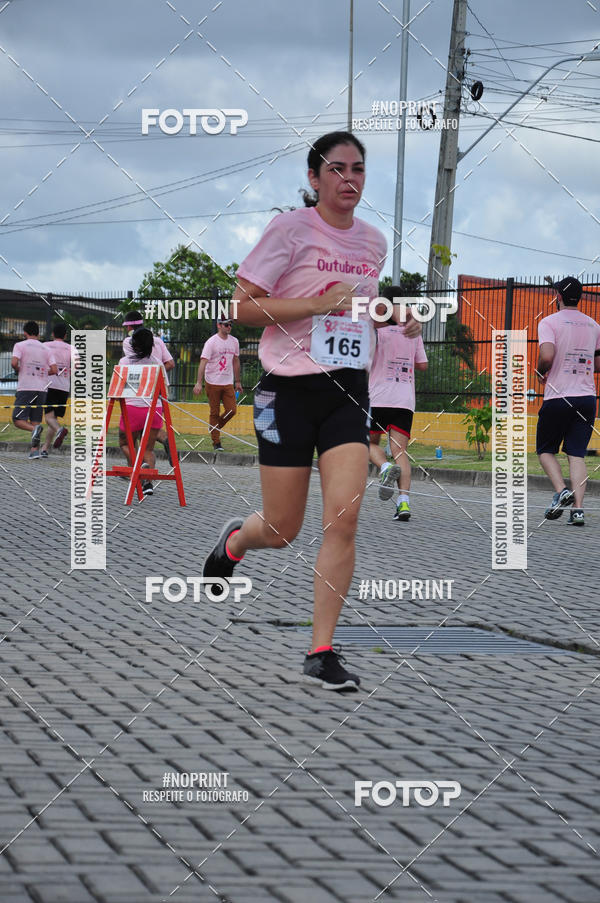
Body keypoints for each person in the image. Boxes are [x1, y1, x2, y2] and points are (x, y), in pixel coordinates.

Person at [203, 131, 421, 691]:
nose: (350, 179)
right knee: (281, 528)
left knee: (343, 520)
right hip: (288, 390)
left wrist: (393, 315)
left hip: (348, 391)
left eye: (359, 169)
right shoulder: (289, 229)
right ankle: (235, 542)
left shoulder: (373, 241)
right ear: (315, 179)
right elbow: (244, 307)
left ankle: (321, 650)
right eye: (338, 169)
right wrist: (317, 303)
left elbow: (360, 306)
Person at [536, 277, 600, 526]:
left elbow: (547, 355)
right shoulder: (594, 325)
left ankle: (562, 490)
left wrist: (541, 372)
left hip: (558, 395)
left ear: (558, 297)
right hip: (586, 397)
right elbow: (598, 365)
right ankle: (578, 511)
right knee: (577, 454)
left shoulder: (548, 322)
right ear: (580, 297)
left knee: (545, 450)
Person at [369, 286, 428, 521]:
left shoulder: (377, 333)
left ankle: (384, 468)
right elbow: (422, 365)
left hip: (378, 396)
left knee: (367, 443)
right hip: (404, 399)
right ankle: (404, 504)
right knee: (400, 451)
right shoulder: (413, 333)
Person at [118, 327, 167, 497]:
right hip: (154, 410)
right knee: (148, 449)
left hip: (131, 410)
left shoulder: (124, 362)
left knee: (125, 443)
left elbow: (118, 390)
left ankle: (138, 468)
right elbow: (164, 391)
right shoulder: (158, 363)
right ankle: (148, 482)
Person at [123, 311, 175, 464]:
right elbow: (170, 363)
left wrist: (147, 375)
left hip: (137, 392)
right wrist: (156, 374)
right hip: (159, 391)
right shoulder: (158, 341)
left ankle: (137, 469)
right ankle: (165, 440)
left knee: (133, 435)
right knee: (148, 430)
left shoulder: (128, 341)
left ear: (131, 327)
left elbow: (134, 363)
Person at [193, 315, 242, 451]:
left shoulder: (234, 342)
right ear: (219, 325)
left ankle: (214, 427)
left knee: (231, 410)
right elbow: (203, 361)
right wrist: (198, 382)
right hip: (212, 382)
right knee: (214, 412)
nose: (229, 327)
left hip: (227, 382)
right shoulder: (211, 342)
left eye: (231, 324)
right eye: (226, 325)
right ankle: (216, 442)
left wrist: (238, 381)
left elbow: (236, 361)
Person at [11, 321, 57, 459]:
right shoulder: (46, 349)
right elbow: (54, 370)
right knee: (36, 419)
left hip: (26, 387)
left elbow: (14, 362)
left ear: (25, 332)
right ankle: (34, 451)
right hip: (42, 389)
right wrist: (41, 374)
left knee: (17, 418)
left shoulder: (20, 346)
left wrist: (19, 370)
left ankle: (33, 430)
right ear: (38, 333)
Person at [40, 322, 72, 457]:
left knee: (48, 418)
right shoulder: (72, 348)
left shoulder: (45, 346)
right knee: (54, 418)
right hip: (64, 387)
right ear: (65, 335)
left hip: (49, 385)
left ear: (52, 334)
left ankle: (60, 430)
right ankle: (45, 448)